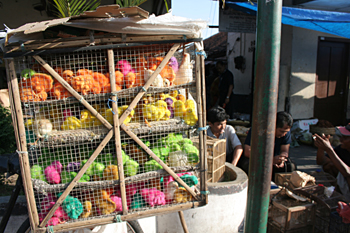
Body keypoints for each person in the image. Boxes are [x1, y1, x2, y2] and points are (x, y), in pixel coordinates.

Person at [244, 111, 295, 180]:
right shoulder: (258, 129)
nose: (284, 134)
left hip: (275, 161)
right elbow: (247, 151)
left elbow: (285, 151)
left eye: (286, 132)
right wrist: (269, 160)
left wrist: (281, 159)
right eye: (281, 131)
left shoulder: (286, 133)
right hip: (259, 159)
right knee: (249, 165)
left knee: (291, 166)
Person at [314, 124, 350, 200]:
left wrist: (329, 149)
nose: (341, 140)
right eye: (342, 136)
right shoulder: (342, 149)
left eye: (345, 138)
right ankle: (338, 193)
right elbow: (321, 161)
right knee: (329, 165)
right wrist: (321, 147)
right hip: (344, 180)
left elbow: (348, 172)